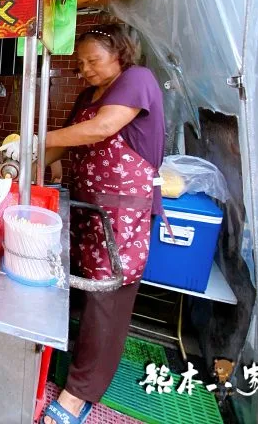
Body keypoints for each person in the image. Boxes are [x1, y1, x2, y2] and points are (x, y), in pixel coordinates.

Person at [39, 24, 165, 424]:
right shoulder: (87, 95)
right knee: (77, 291)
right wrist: (27, 167)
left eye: (93, 60)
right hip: (83, 206)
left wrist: (39, 137)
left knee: (105, 305)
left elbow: (103, 128)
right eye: (81, 63)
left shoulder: (137, 80)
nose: (86, 69)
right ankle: (66, 361)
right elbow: (63, 144)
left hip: (121, 215)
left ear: (120, 53)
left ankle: (80, 394)